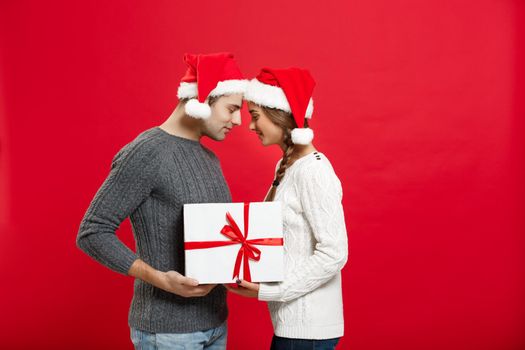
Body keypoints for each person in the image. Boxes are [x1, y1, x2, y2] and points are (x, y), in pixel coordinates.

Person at [76, 52, 247, 350]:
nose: (238, 120)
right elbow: (92, 232)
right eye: (231, 109)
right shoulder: (147, 152)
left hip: (216, 324)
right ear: (202, 100)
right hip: (169, 333)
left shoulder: (209, 158)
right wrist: (160, 280)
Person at [226, 67, 349, 350]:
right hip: (294, 328)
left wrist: (271, 291)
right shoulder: (287, 166)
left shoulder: (313, 171)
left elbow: (334, 252)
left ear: (280, 114)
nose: (250, 126)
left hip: (308, 331)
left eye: (255, 116)